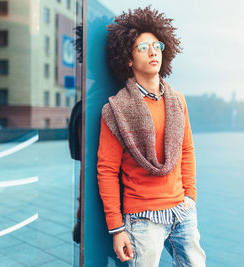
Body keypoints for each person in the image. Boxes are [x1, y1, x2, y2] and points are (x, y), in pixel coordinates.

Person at [97, 6, 206, 266]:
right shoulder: (116, 110)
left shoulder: (177, 100)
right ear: (129, 59)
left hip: (182, 211)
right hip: (143, 219)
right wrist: (116, 228)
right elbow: (107, 170)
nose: (153, 51)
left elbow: (187, 150)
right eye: (143, 47)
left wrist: (190, 196)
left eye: (156, 45)